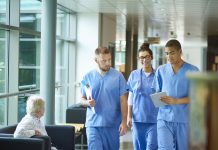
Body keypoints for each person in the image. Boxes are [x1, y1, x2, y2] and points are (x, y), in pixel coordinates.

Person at [152, 39, 199, 150]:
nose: (169, 57)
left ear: (180, 52)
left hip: (184, 120)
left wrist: (176, 101)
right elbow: (156, 92)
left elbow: (197, 97)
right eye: (167, 53)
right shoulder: (161, 71)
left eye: (172, 53)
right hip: (164, 118)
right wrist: (159, 98)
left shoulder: (193, 71)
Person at [80, 47, 128, 150]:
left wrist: (124, 122)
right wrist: (88, 103)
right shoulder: (87, 77)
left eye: (109, 60)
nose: (108, 63)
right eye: (104, 60)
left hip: (112, 124)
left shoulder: (118, 76)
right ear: (96, 60)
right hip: (93, 124)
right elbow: (82, 99)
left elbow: (123, 100)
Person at [127, 42, 158, 150]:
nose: (144, 60)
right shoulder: (134, 75)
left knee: (151, 147)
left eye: (147, 57)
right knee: (139, 147)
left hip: (154, 119)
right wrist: (129, 116)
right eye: (141, 57)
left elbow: (162, 98)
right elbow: (130, 98)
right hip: (138, 119)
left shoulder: (158, 75)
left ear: (151, 57)